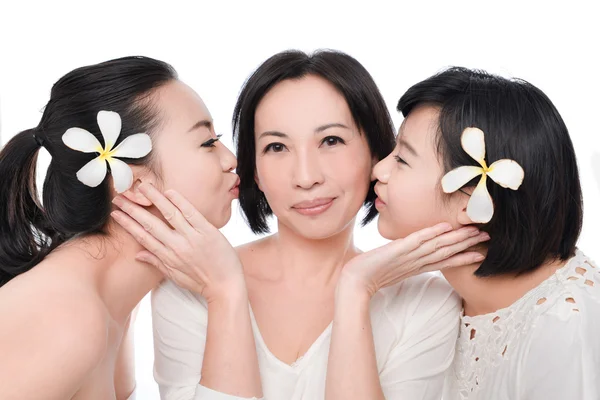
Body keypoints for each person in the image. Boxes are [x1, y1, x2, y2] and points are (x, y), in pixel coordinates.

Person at [115, 50, 489, 400]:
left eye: (331, 140)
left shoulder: (426, 302)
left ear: (377, 153)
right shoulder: (189, 284)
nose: (306, 177)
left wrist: (356, 288)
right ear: (254, 171)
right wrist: (225, 292)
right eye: (276, 147)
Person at [0, 56, 242, 400]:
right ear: (130, 181)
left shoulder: (115, 305)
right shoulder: (66, 317)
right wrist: (227, 289)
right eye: (207, 142)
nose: (231, 158)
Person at [372, 67, 599, 400]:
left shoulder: (565, 323)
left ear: (472, 199)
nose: (379, 169)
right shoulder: (437, 300)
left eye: (402, 159)